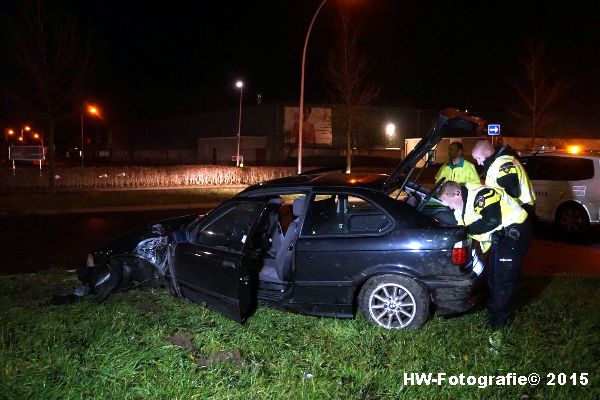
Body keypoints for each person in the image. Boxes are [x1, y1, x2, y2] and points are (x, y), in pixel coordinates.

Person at [438, 181, 532, 329]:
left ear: (457, 194)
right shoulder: (462, 205)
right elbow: (462, 224)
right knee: (494, 276)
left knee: (503, 279)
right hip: (501, 237)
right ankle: (494, 313)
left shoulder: (481, 194)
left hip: (514, 233)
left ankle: (499, 325)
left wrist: (466, 231)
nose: (449, 207)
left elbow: (492, 219)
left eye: (448, 202)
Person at [472, 140, 536, 218]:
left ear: (487, 152)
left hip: (520, 211)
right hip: (516, 211)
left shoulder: (504, 164)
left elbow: (513, 193)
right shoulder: (497, 163)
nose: (478, 162)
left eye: (478, 158)